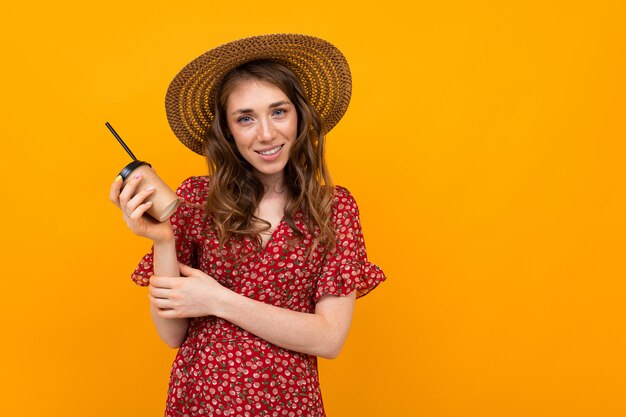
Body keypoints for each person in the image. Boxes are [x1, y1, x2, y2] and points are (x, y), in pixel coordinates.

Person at [109, 34, 386, 417]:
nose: (267, 134)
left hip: (289, 406)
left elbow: (329, 338)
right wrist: (163, 241)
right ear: (228, 131)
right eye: (245, 118)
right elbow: (172, 335)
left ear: (300, 116)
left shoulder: (333, 208)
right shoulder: (196, 199)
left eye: (278, 112)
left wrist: (218, 300)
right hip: (200, 403)